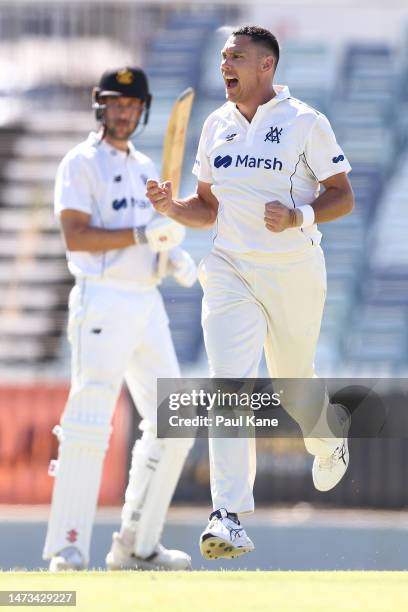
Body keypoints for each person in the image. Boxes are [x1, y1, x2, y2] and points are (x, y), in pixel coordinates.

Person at [146, 26, 355, 561]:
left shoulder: (306, 121)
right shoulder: (216, 124)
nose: (225, 66)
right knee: (229, 385)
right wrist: (173, 209)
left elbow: (343, 197)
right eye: (221, 58)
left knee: (291, 383)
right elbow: (207, 208)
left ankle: (329, 436)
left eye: (236, 57)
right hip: (229, 268)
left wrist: (297, 216)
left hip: (294, 269)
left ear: (267, 66)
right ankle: (229, 514)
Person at [43, 66, 197, 571]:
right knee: (89, 422)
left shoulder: (145, 166)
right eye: (116, 104)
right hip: (101, 298)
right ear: (100, 105)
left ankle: (137, 543)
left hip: (145, 301)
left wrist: (168, 254)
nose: (124, 112)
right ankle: (67, 548)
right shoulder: (80, 162)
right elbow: (76, 236)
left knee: (176, 421)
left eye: (132, 105)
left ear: (142, 109)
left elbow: (154, 231)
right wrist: (139, 237)